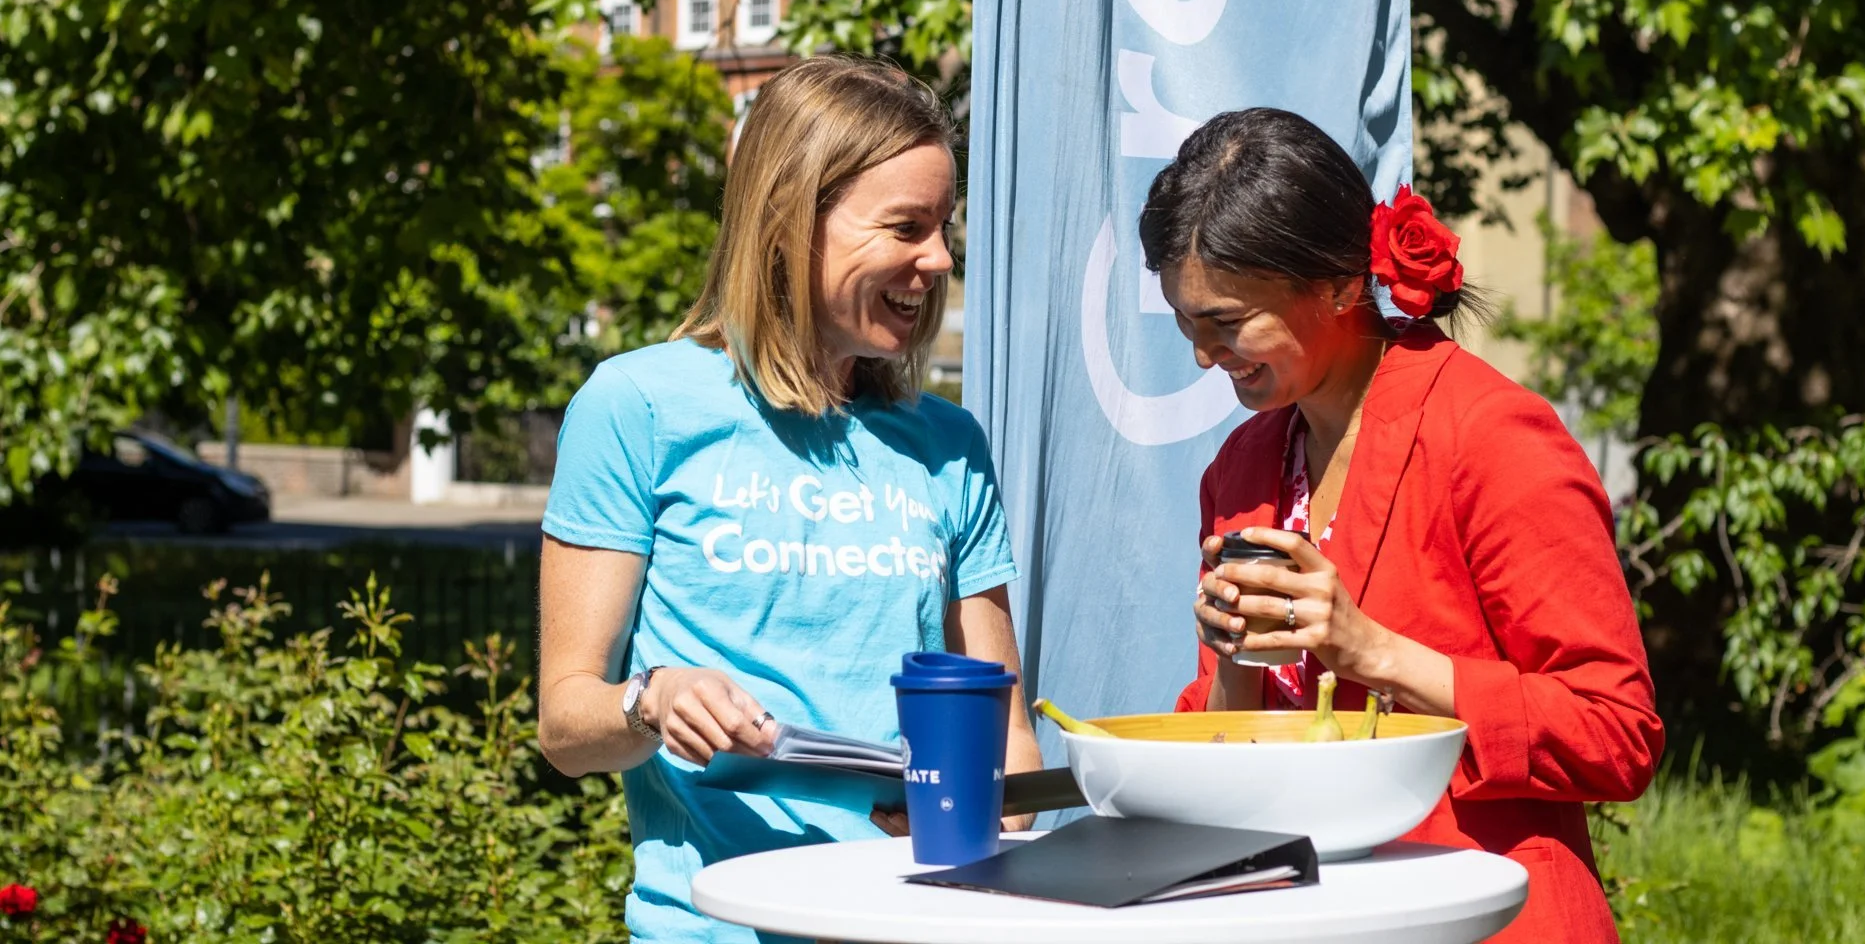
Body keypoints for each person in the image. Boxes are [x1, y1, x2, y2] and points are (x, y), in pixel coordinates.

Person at [537, 55, 1041, 944]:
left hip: (918, 926)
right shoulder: (636, 407)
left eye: (943, 227)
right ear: (789, 221)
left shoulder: (948, 445)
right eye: (907, 227)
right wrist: (652, 699)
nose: (938, 259)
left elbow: (1010, 753)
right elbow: (566, 726)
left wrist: (974, 811)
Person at [1139, 108, 1662, 943]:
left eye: (1227, 322)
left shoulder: (1492, 437)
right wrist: (1235, 662)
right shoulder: (1242, 466)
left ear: (1339, 286)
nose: (1204, 354)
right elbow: (1236, 739)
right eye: (1186, 322)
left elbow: (1615, 732)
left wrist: (1375, 653)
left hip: (1482, 915)